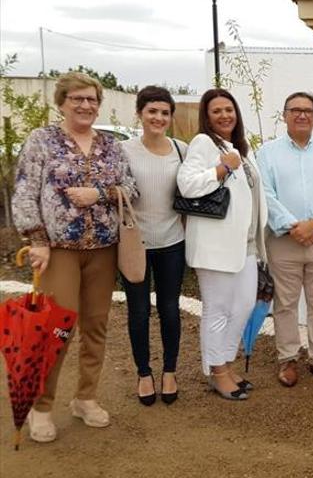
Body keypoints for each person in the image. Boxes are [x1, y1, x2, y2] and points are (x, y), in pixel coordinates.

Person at [13, 72, 138, 442]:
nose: (85, 106)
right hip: (59, 251)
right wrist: (36, 239)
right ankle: (41, 405)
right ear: (62, 102)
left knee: (96, 327)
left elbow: (132, 188)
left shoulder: (112, 146)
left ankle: (85, 397)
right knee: (55, 329)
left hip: (103, 248)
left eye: (92, 100)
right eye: (77, 99)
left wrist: (98, 193)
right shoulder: (42, 141)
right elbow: (25, 190)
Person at [177, 88, 268, 401]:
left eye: (229, 109)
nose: (225, 115)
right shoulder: (204, 143)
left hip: (247, 244)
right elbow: (187, 185)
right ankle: (217, 372)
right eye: (217, 111)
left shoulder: (241, 147)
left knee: (243, 305)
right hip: (216, 247)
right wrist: (222, 168)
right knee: (218, 310)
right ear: (207, 115)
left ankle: (227, 363)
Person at [257, 91, 313, 387]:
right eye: (295, 110)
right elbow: (266, 195)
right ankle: (288, 358)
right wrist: (295, 227)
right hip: (284, 241)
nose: (302, 115)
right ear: (284, 116)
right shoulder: (267, 153)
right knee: (285, 304)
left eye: (308, 110)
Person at [121, 86, 187, 406]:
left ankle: (170, 371)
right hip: (135, 244)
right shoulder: (124, 150)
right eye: (152, 111)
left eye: (164, 112)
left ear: (170, 117)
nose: (158, 117)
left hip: (173, 241)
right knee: (138, 311)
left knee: (170, 309)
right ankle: (144, 373)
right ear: (140, 114)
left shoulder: (181, 149)